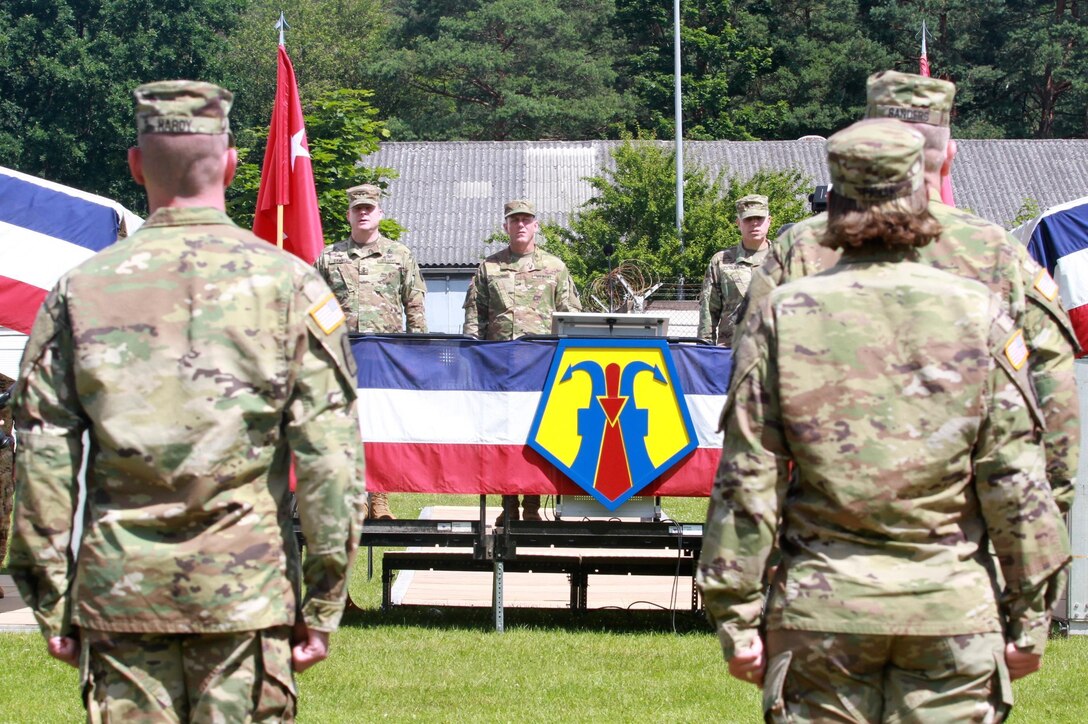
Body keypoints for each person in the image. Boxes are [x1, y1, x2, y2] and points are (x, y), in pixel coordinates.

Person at [8, 80, 367, 722]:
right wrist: (322, 601)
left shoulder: (77, 292)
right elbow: (329, 460)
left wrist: (49, 593)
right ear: (231, 163)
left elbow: (42, 457)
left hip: (121, 598)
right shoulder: (290, 286)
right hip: (246, 601)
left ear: (136, 164)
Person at [698, 119, 1070, 722]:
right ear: (922, 196)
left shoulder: (783, 316)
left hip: (822, 613)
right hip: (949, 610)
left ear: (837, 203)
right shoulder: (981, 315)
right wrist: (1030, 616)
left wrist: (735, 616)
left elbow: (747, 480)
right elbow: (1015, 479)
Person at [744, 70, 1080, 513]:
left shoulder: (796, 250)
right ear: (950, 155)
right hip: (957, 539)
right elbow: (1052, 390)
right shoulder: (1001, 255)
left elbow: (752, 407)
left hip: (821, 536)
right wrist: (1039, 520)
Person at [463, 199, 581, 524]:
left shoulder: (555, 268)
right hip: (501, 366)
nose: (520, 225)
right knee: (505, 436)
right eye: (514, 220)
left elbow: (570, 317)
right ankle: (508, 504)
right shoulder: (488, 268)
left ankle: (532, 504)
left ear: (536, 225)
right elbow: (475, 319)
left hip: (543, 367)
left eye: (526, 220)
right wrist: (473, 361)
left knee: (536, 434)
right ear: (505, 226)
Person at [315, 183, 427, 521]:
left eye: (369, 208)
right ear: (348, 214)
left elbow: (415, 305)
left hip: (387, 356)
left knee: (381, 426)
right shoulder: (329, 257)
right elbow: (313, 305)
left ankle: (380, 500)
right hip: (342, 356)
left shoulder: (399, 255)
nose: (363, 213)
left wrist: (417, 352)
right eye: (357, 209)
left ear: (379, 214)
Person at [697, 194, 772, 347]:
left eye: (759, 218)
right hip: (731, 352)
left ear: (769, 221)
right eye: (748, 219)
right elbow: (709, 311)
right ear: (739, 223)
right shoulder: (721, 260)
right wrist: (704, 352)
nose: (754, 223)